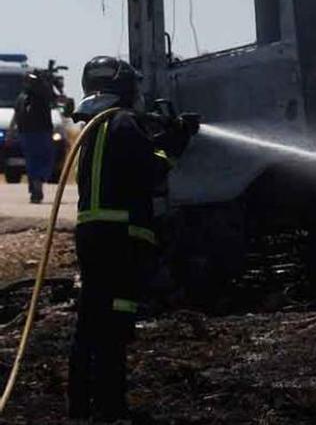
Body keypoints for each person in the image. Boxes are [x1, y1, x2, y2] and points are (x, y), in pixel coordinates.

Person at [67, 56, 199, 421]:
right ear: (124, 87)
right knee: (114, 323)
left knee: (90, 320)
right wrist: (177, 141)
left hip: (93, 236)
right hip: (119, 239)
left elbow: (126, 163)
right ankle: (111, 409)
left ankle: (79, 405)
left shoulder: (97, 126)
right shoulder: (123, 122)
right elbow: (150, 171)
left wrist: (159, 136)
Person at [11, 71, 67, 203]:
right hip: (41, 132)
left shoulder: (23, 97)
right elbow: (60, 100)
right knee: (44, 158)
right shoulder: (42, 96)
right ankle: (37, 182)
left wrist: (11, 132)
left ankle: (35, 184)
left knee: (33, 160)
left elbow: (16, 115)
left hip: (27, 133)